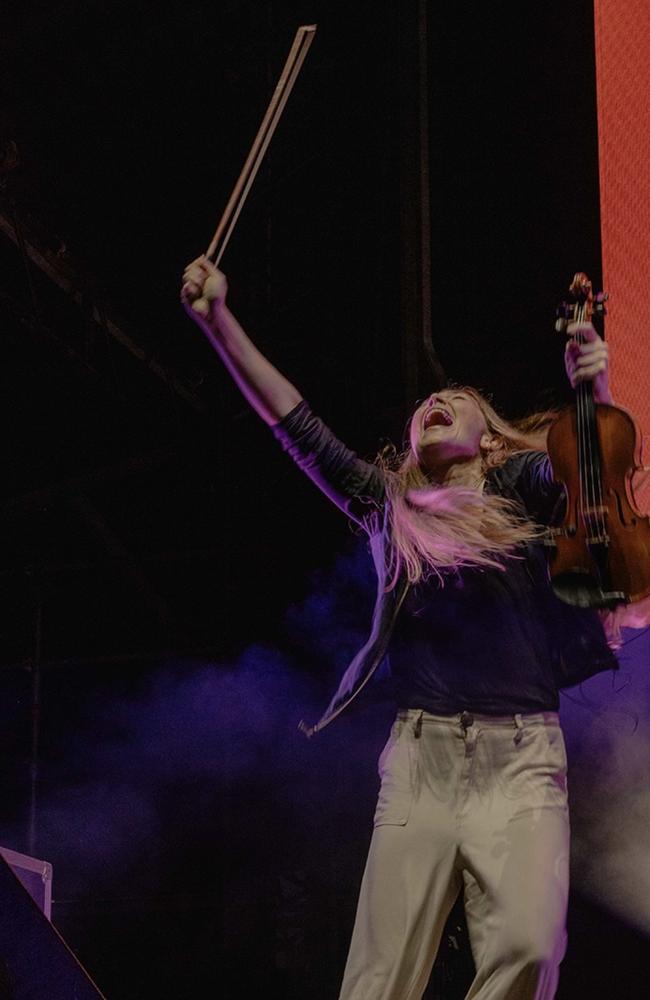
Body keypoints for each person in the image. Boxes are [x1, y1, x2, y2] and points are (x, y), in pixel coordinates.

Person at [181, 256, 617, 1000]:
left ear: (488, 439)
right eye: (425, 405)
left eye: (453, 398)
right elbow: (296, 423)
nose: (433, 402)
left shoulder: (516, 489)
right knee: (379, 980)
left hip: (522, 763)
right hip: (424, 763)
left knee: (530, 947)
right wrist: (219, 322)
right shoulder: (392, 509)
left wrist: (592, 385)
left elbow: (594, 461)